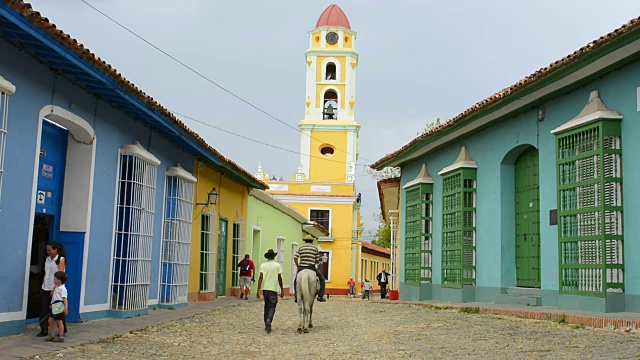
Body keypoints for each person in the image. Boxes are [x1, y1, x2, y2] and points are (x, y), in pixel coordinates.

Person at [38, 242, 66, 337]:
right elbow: (46, 273)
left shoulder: (60, 260)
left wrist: (55, 289)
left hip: (55, 288)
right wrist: (43, 284)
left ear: (55, 250)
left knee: (57, 309)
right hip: (46, 287)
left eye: (50, 250)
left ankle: (62, 329)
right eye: (47, 250)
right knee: (44, 309)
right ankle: (44, 329)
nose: (48, 252)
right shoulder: (47, 260)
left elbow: (60, 275)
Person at [256, 249, 283, 334]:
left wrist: (258, 290)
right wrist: (282, 289)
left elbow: (261, 277)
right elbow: (279, 278)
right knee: (272, 306)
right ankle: (269, 319)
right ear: (274, 256)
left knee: (266, 306)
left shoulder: (263, 265)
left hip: (265, 289)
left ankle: (266, 323)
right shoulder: (277, 265)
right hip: (273, 289)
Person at [293, 234, 326, 302]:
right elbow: (316, 259)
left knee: (295, 281)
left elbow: (295, 257)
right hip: (311, 267)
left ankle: (296, 296)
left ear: (305, 241)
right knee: (322, 279)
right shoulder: (315, 248)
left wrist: (298, 265)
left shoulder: (301, 248)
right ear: (311, 241)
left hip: (302, 267)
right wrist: (317, 261)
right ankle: (320, 296)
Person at [45, 271, 68, 342]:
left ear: (59, 280)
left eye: (55, 279)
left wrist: (66, 308)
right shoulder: (57, 287)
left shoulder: (62, 289)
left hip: (59, 306)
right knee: (50, 320)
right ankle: (52, 335)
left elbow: (65, 299)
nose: (54, 280)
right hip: (54, 305)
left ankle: (61, 336)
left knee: (59, 322)